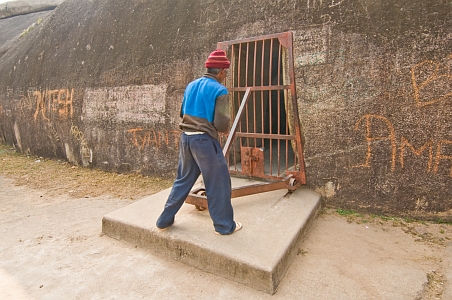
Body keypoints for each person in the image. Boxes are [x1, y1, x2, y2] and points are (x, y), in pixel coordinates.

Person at [156, 49, 242, 235]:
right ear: (221, 72)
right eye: (225, 72)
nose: (225, 75)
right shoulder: (220, 90)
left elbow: (182, 113)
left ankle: (164, 219)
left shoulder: (191, 85)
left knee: (183, 180)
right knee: (218, 183)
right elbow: (220, 123)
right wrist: (224, 130)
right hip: (204, 142)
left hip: (186, 139)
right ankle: (225, 226)